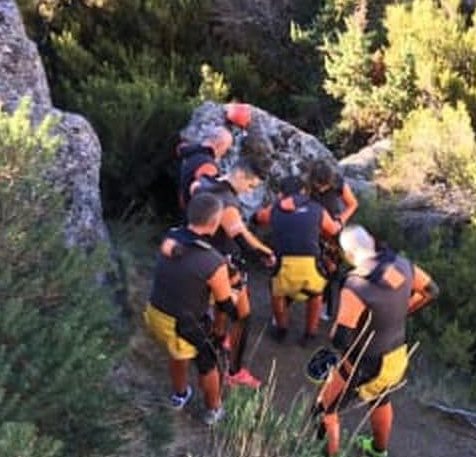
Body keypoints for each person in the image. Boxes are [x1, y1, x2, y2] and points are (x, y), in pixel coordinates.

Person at [314, 225, 439, 457]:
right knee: (380, 398)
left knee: (326, 408)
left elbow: (341, 339)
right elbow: (431, 290)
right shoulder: (402, 263)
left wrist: (333, 340)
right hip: (395, 356)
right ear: (370, 239)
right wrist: (404, 309)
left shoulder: (356, 284)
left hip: (364, 362)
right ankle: (378, 451)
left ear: (348, 255)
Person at [144, 193, 239, 425]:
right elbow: (226, 305)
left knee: (176, 353)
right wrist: (235, 289)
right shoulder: (213, 261)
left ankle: (179, 394)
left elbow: (176, 254)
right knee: (208, 362)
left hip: (155, 314)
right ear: (215, 222)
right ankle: (213, 410)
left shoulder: (171, 237)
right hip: (182, 326)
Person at [183, 159, 274, 388]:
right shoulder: (228, 202)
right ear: (241, 175)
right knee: (242, 317)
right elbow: (240, 237)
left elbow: (239, 227)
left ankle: (217, 340)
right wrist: (265, 256)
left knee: (219, 307)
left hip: (203, 257)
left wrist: (264, 248)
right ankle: (234, 371)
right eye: (251, 184)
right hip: (226, 265)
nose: (249, 190)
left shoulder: (204, 182)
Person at [254, 176, 342, 345]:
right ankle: (310, 334)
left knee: (277, 294)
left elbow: (258, 218)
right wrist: (338, 221)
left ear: (281, 194)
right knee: (316, 295)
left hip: (283, 269)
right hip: (311, 269)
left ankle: (281, 329)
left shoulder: (274, 210)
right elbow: (332, 230)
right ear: (304, 191)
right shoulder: (317, 209)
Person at [307, 160, 359, 319]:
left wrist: (341, 220)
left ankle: (326, 306)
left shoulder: (338, 184)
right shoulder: (307, 185)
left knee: (331, 270)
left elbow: (352, 204)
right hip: (313, 229)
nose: (321, 188)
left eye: (324, 185)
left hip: (333, 232)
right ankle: (311, 297)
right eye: (318, 184)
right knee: (312, 265)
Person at [175, 126, 233, 212]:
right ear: (220, 144)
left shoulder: (190, 152)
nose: (224, 152)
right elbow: (207, 196)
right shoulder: (208, 165)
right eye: (226, 148)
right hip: (194, 216)